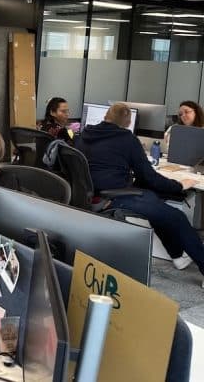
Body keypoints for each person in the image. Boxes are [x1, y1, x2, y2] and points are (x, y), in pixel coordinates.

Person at [74, 103, 204, 286]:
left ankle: (177, 256)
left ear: (105, 117)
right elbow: (149, 176)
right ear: (128, 123)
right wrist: (179, 186)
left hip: (90, 194)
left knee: (154, 201)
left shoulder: (84, 135)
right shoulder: (127, 139)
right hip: (115, 196)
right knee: (177, 216)